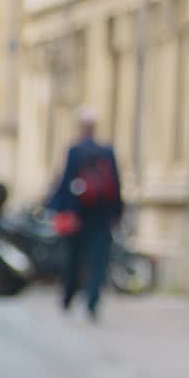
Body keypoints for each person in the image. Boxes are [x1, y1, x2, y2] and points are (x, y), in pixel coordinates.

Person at [48, 107, 123, 322]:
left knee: (73, 259)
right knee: (98, 260)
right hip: (102, 216)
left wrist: (56, 208)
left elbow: (64, 183)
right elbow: (116, 185)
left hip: (77, 216)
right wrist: (117, 213)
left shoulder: (75, 151)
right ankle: (92, 302)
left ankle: (69, 297)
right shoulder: (107, 152)